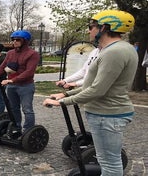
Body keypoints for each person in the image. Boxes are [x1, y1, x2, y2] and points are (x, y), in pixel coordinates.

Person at [43, 10, 137, 176]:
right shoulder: (115, 49)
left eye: (91, 26)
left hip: (108, 114)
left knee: (110, 163)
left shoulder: (114, 52)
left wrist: (63, 102)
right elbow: (92, 84)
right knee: (105, 159)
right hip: (105, 114)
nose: (89, 30)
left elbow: (97, 89)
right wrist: (65, 95)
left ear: (105, 27)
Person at [0, 30, 40, 133]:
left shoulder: (33, 54)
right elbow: (2, 67)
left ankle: (27, 130)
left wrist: (11, 80)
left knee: (27, 110)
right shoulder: (10, 53)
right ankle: (16, 127)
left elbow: (29, 72)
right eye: (13, 39)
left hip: (25, 86)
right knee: (13, 108)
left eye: (18, 40)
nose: (14, 41)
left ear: (25, 41)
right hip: (11, 86)